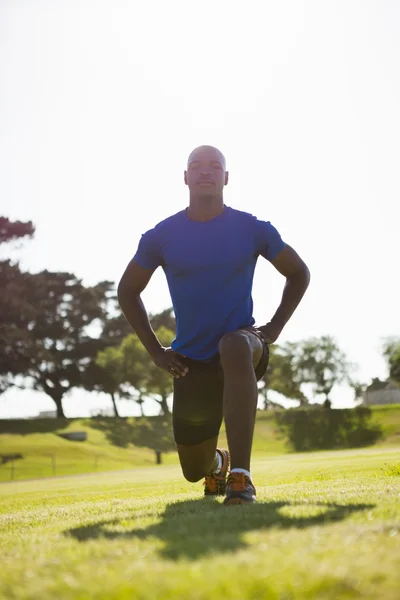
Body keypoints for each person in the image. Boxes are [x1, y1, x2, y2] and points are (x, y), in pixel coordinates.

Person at [118, 145, 310, 505]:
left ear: (226, 177)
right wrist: (157, 352)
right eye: (196, 166)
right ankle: (218, 463)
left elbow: (298, 273)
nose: (205, 171)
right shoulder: (161, 236)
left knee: (233, 345)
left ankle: (241, 476)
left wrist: (275, 328)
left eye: (214, 166)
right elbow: (128, 291)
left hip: (244, 345)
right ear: (186, 177)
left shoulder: (253, 229)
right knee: (193, 470)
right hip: (191, 361)